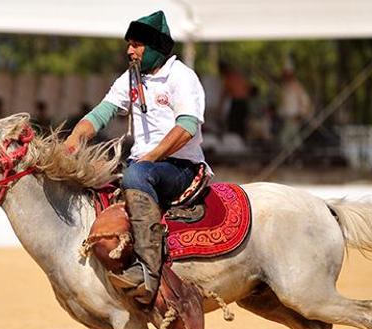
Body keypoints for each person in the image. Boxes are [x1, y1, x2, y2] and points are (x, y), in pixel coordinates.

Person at [62, 10, 208, 304]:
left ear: (155, 48)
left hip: (182, 168)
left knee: (136, 175)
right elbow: (102, 112)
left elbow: (188, 127)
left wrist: (150, 158)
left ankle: (148, 271)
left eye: (137, 44)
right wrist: (75, 138)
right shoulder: (130, 78)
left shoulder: (181, 77)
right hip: (146, 166)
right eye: (129, 43)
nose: (129, 50)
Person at [219, 61, 251, 139]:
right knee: (241, 121)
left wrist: (219, 106)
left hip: (237, 101)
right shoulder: (238, 76)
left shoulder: (229, 77)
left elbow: (225, 93)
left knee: (234, 122)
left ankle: (235, 138)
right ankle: (241, 137)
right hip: (244, 101)